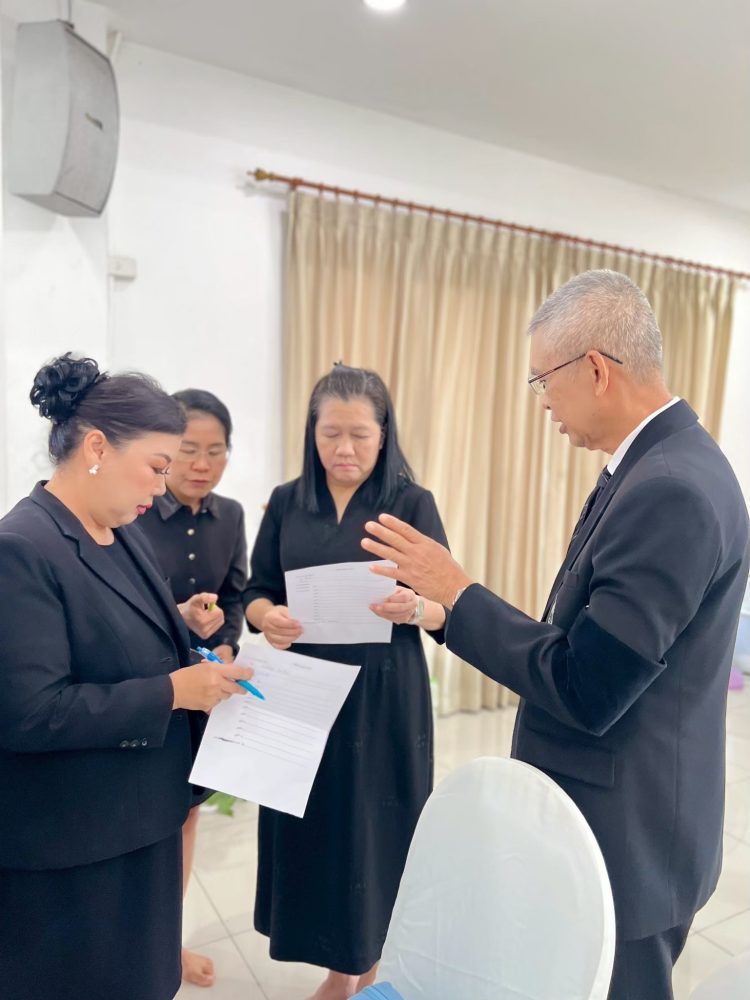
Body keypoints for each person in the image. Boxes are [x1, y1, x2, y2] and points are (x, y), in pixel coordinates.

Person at [361, 270, 750, 1000]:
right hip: (619, 819)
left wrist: (460, 590)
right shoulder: (655, 464)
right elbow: (586, 638)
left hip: (629, 842)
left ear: (596, 369)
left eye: (543, 380)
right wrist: (441, 614)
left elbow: (588, 685)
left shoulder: (670, 488)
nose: (542, 402)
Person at [0, 353, 254, 1000]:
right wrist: (173, 692)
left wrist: (179, 625)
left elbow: (104, 629)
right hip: (77, 839)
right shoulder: (22, 547)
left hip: (145, 816)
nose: (163, 487)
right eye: (157, 466)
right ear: (96, 448)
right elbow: (30, 712)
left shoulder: (121, 529)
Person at [243, 364, 449, 1000]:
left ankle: (368, 968)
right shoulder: (287, 501)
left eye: (360, 435)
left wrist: (413, 607)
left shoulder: (411, 504)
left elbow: (448, 606)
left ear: (384, 435)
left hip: (382, 694)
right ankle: (339, 966)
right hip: (303, 689)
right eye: (331, 433)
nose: (345, 449)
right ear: (312, 432)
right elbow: (256, 591)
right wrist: (267, 618)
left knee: (376, 831)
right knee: (316, 828)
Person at [139, 388, 247, 989]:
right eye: (188, 450)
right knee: (145, 823)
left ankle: (169, 945)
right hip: (146, 691)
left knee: (185, 817)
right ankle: (141, 947)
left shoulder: (230, 516)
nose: (202, 464)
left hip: (205, 695)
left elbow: (235, 595)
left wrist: (226, 641)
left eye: (216, 450)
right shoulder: (133, 509)